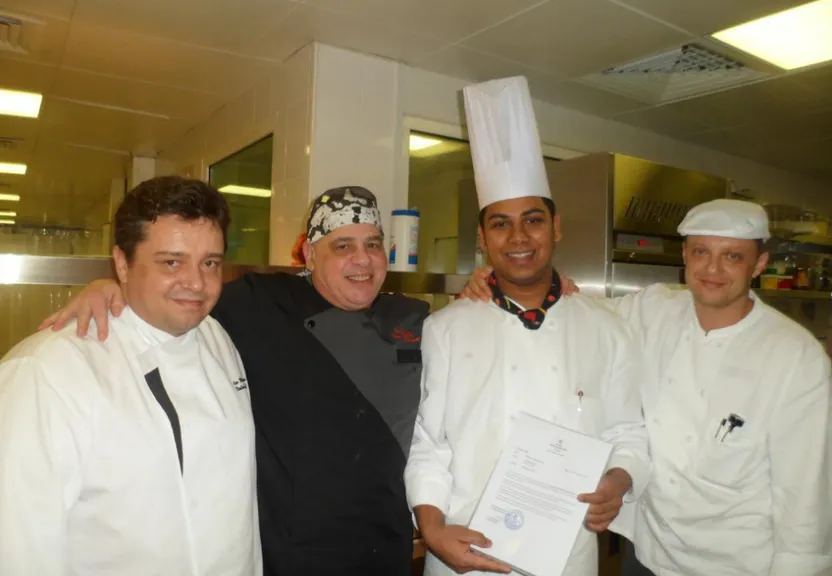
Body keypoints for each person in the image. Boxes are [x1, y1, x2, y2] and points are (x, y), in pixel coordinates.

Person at [40, 185, 430, 576]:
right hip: (292, 558)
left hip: (386, 551)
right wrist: (109, 289)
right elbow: (180, 299)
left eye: (374, 245)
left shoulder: (411, 318)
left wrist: (487, 281)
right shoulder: (257, 303)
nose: (362, 260)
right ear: (310, 255)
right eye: (342, 246)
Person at [462, 198, 832, 576]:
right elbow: (567, 312)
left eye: (733, 257)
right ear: (685, 255)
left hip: (739, 563)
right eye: (701, 252)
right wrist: (491, 283)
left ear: (759, 264)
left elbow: (806, 497)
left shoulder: (795, 357)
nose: (713, 268)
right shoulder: (653, 310)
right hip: (648, 552)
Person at [405, 76, 650, 576]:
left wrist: (620, 481)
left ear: (556, 228)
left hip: (567, 556)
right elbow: (430, 444)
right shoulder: (446, 328)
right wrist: (431, 531)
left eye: (533, 220)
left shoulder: (607, 327)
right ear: (483, 237)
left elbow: (630, 431)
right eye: (500, 223)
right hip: (462, 555)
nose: (518, 237)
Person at [0, 176, 261, 575]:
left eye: (210, 263)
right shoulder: (47, 373)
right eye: (171, 262)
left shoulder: (216, 337)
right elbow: (18, 548)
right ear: (122, 263)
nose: (196, 282)